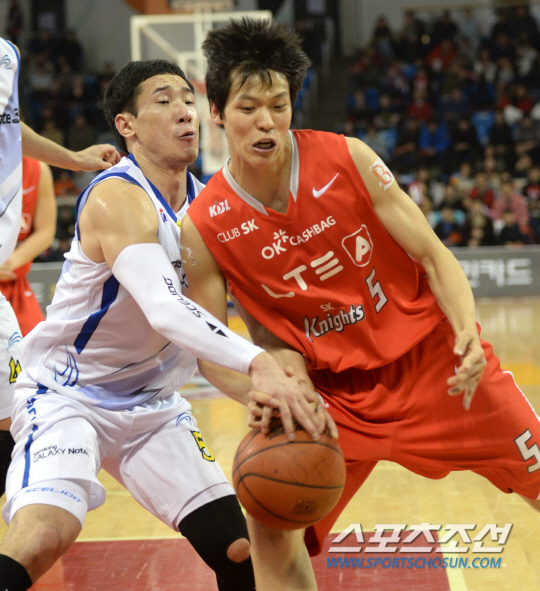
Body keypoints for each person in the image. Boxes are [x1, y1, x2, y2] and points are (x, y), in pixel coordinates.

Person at [180, 18, 540, 591]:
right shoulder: (203, 226)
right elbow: (209, 347)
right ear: (217, 112)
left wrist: (467, 331)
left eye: (279, 105)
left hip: (435, 368)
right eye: (248, 107)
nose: (266, 120)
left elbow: (433, 255)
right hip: (328, 399)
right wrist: (267, 390)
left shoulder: (347, 158)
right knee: (270, 525)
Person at [0, 58, 330, 591]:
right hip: (69, 396)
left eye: (188, 99)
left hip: (154, 406)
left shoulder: (211, 209)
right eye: (164, 100)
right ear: (126, 125)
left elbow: (212, 347)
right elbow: (165, 308)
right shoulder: (116, 195)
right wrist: (260, 365)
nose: (184, 112)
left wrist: (272, 396)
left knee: (240, 551)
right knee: (43, 536)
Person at [1, 36, 120, 503]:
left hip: (6, 284)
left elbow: (11, 127)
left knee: (13, 414)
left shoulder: (8, 54)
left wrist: (73, 158)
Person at [0, 157, 56, 336]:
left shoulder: (37, 168)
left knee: (36, 347)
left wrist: (10, 261)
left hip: (15, 285)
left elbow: (45, 231)